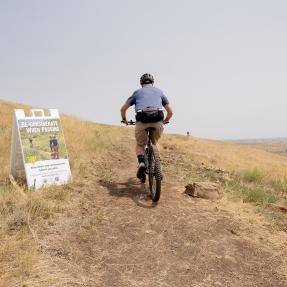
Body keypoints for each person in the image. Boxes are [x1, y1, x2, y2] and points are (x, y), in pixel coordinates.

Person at [120, 73, 173, 179]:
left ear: (141, 83)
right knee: (155, 142)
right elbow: (170, 112)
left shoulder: (137, 92)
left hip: (142, 118)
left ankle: (141, 163)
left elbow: (123, 109)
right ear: (152, 82)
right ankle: (159, 168)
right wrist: (165, 121)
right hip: (158, 118)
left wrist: (124, 120)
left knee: (140, 144)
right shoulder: (159, 91)